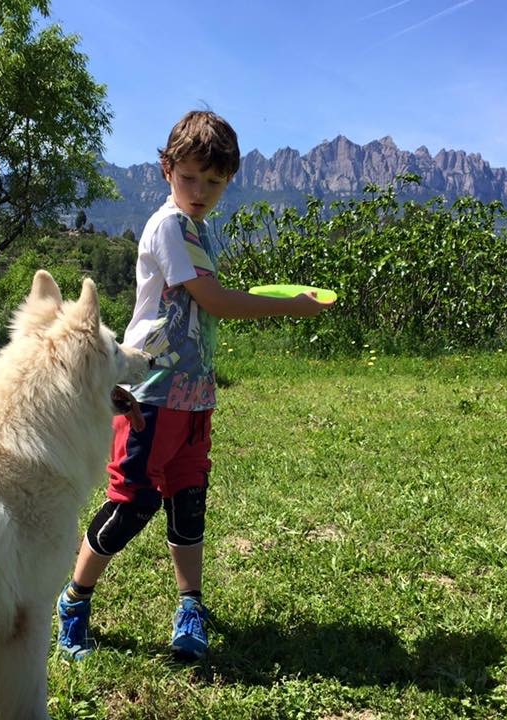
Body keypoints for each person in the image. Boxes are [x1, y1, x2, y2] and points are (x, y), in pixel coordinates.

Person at [57, 109, 333, 661]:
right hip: (150, 394)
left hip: (193, 394)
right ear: (167, 169)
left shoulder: (196, 227)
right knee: (132, 503)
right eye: (190, 177)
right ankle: (74, 600)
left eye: (214, 181)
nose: (201, 190)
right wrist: (287, 307)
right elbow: (212, 301)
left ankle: (190, 606)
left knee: (188, 498)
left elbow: (201, 303)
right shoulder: (167, 225)